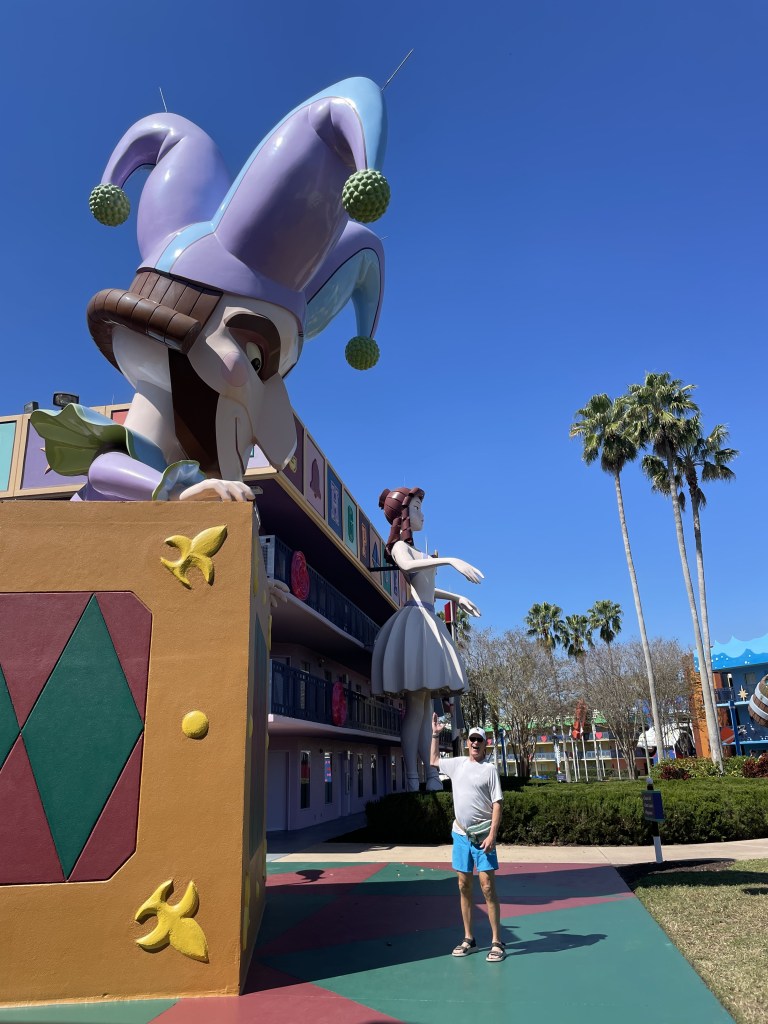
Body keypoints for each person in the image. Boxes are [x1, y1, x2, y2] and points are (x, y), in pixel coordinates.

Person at [371, 487, 482, 792]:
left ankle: (430, 774)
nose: (422, 514)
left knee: (422, 712)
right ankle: (411, 776)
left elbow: (428, 588)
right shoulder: (399, 547)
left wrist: (457, 597)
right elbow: (407, 567)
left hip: (428, 617)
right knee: (415, 709)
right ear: (404, 514)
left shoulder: (419, 552)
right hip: (416, 619)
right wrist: (450, 560)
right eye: (417, 508)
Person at [431, 716, 505, 963]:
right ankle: (469, 939)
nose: (475, 743)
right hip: (461, 834)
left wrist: (493, 834)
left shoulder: (489, 770)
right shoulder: (458, 764)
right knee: (463, 885)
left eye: (479, 740)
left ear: (485, 744)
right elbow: (433, 760)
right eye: (472, 739)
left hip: (483, 836)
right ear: (467, 743)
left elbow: (497, 804)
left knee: (487, 886)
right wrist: (435, 734)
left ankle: (496, 941)